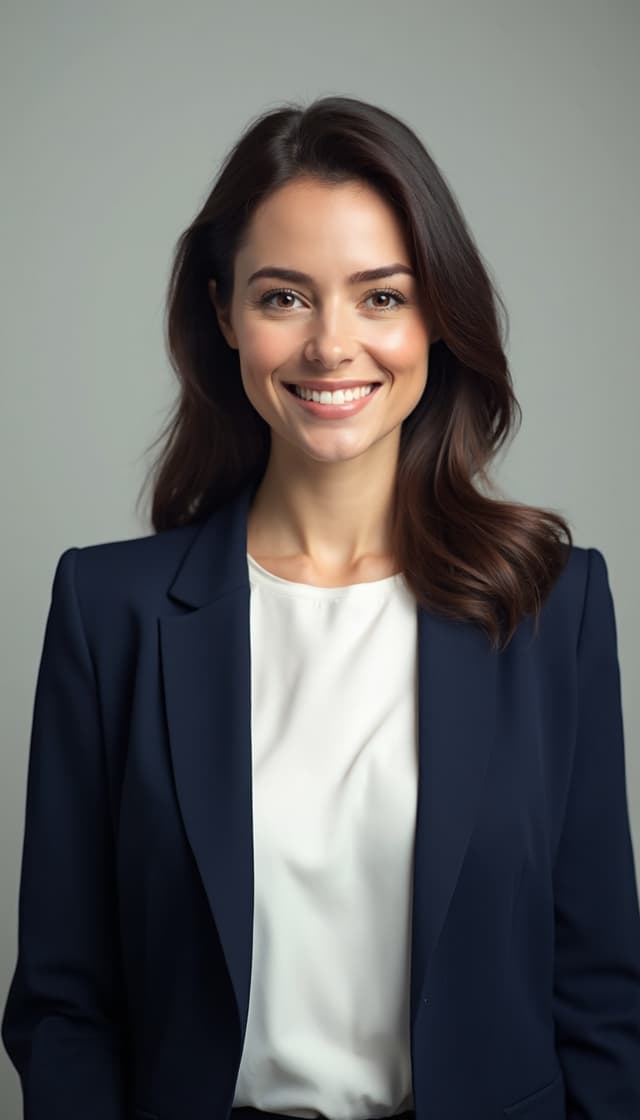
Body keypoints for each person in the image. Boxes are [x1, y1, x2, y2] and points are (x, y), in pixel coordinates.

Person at [2, 95, 640, 1120]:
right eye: (285, 297)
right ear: (223, 315)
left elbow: (602, 989)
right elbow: (67, 1001)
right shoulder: (107, 610)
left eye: (380, 297)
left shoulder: (552, 609)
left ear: (437, 314)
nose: (332, 345)